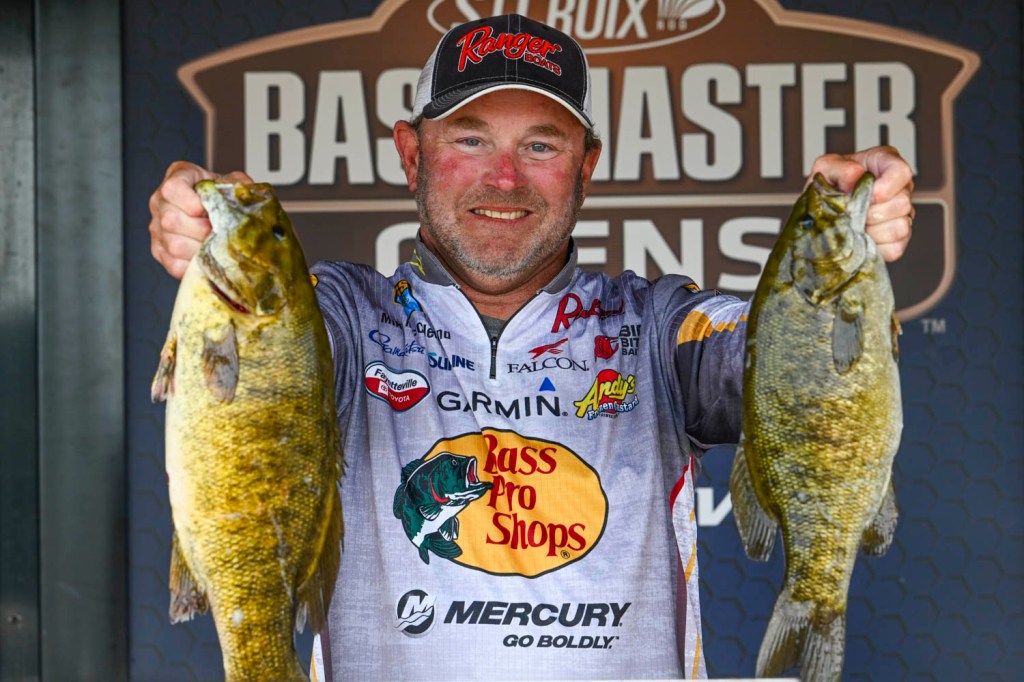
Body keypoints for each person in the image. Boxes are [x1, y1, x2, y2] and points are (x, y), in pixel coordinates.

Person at [149, 14, 913, 681]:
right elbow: (261, 345)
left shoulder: (658, 326)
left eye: (540, 144)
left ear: (587, 165)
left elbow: (776, 351)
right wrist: (199, 221)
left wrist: (854, 233)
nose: (505, 178)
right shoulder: (337, 320)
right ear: (412, 154)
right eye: (471, 139)